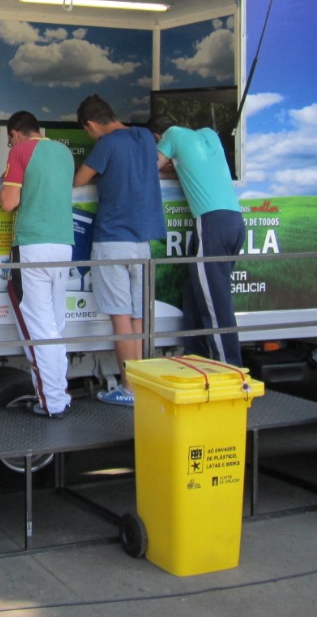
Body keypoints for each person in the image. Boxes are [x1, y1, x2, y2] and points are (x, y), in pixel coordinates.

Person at [73, 95, 166, 406]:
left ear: (91, 124)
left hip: (112, 240)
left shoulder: (107, 144)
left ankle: (129, 389)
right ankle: (141, 385)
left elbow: (79, 180)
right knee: (139, 317)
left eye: (88, 131)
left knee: (121, 317)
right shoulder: (144, 137)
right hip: (143, 243)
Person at [148, 115, 246, 364]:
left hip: (211, 224)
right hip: (234, 221)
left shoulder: (172, 135)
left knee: (215, 306)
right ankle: (197, 359)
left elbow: (149, 168)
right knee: (195, 294)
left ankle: (231, 370)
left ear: (158, 137)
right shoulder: (209, 135)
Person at [0, 111, 75, 418]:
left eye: (9, 140)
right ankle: (59, 394)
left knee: (40, 328)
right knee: (55, 326)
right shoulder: (64, 152)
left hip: (32, 245)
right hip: (64, 244)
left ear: (15, 133)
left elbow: (8, 202)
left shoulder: (21, 151)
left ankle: (51, 401)